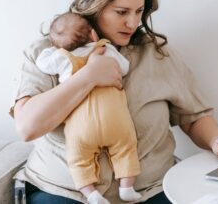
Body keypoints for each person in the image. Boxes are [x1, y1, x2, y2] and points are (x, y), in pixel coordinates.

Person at [11, 0, 218, 204]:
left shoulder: (156, 54)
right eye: (121, 12)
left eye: (139, 11)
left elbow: (193, 116)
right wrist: (87, 77)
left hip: (150, 190)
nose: (132, 23)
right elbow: (27, 126)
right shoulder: (47, 53)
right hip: (64, 191)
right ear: (94, 6)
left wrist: (217, 140)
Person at [35, 12, 141, 204]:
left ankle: (91, 194)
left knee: (77, 159)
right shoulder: (105, 49)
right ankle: (127, 188)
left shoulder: (63, 58)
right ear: (93, 34)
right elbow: (124, 67)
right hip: (115, 120)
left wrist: (54, 49)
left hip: (81, 125)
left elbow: (42, 62)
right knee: (126, 148)